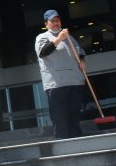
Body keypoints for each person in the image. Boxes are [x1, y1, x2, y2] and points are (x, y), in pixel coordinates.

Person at [35, 9, 85, 140]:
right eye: (53, 21)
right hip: (56, 83)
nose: (56, 23)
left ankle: (77, 139)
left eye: (58, 20)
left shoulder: (70, 37)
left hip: (75, 80)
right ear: (46, 23)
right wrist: (58, 39)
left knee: (74, 113)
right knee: (59, 115)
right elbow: (43, 52)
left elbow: (79, 51)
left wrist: (82, 60)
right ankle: (63, 142)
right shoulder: (42, 37)